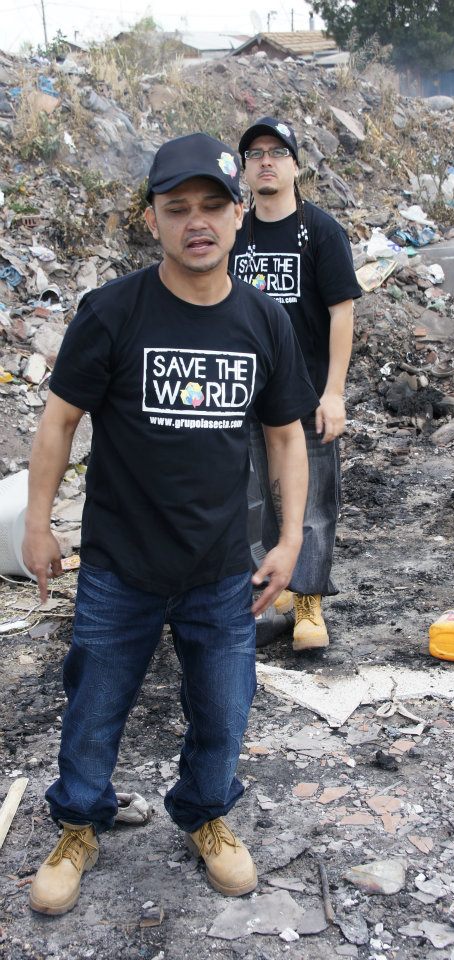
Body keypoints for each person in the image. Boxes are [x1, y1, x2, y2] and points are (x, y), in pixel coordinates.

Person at [22, 132, 318, 916]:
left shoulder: (263, 321)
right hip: (119, 566)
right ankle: (78, 824)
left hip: (220, 570)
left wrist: (290, 539)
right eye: (177, 207)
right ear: (151, 218)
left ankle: (206, 815)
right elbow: (59, 422)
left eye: (212, 206)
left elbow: (286, 437)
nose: (197, 222)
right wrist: (38, 525)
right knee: (94, 708)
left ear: (237, 215)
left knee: (223, 710)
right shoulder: (112, 311)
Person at [231, 117, 362, 652]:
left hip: (305, 394)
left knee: (311, 502)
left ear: (295, 165)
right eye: (255, 154)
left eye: (277, 152)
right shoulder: (234, 232)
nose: (266, 161)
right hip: (244, 395)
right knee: (250, 500)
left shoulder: (322, 231)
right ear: (244, 170)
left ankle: (308, 602)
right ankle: (268, 596)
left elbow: (341, 313)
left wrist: (334, 392)